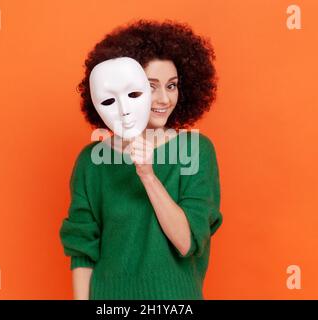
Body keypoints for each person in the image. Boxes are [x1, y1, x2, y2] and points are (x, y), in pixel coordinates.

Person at [59, 19, 223, 300]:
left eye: (172, 86)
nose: (164, 99)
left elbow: (186, 242)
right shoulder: (91, 161)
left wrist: (147, 174)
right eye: (151, 86)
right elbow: (82, 251)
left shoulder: (196, 150)